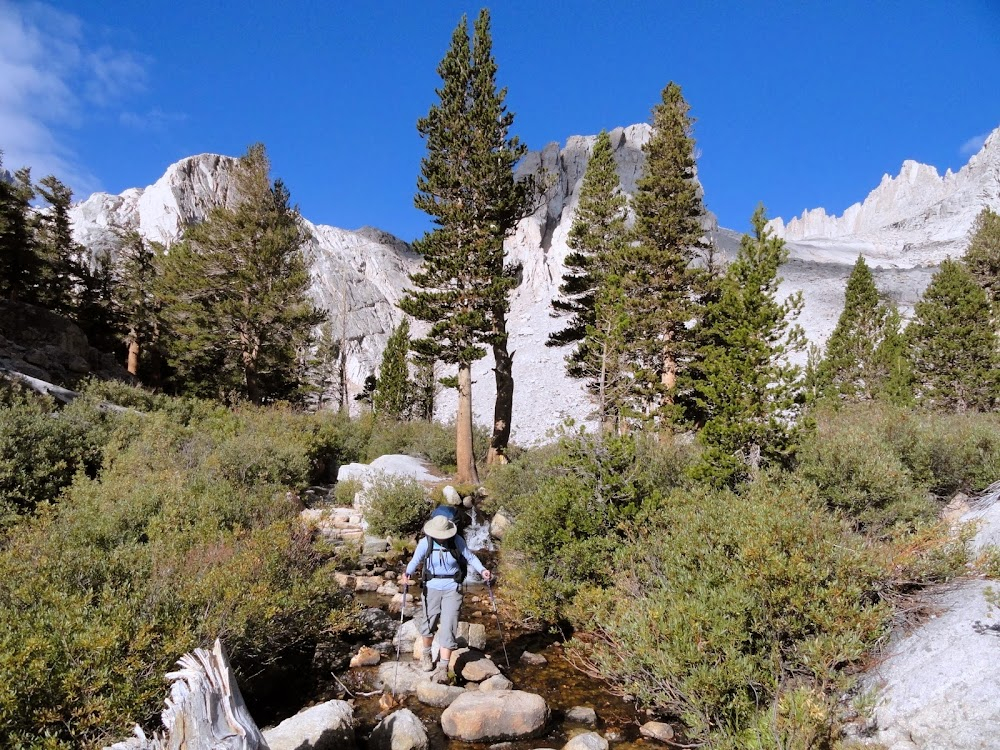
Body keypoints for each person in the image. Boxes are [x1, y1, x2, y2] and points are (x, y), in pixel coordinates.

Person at [400, 513, 491, 676]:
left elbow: (470, 557)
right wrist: (407, 573)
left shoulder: (456, 541)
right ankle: (426, 654)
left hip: (452, 588)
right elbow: (415, 560)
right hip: (431, 587)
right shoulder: (425, 543)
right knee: (429, 624)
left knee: (449, 626)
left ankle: (443, 667)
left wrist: (482, 570)